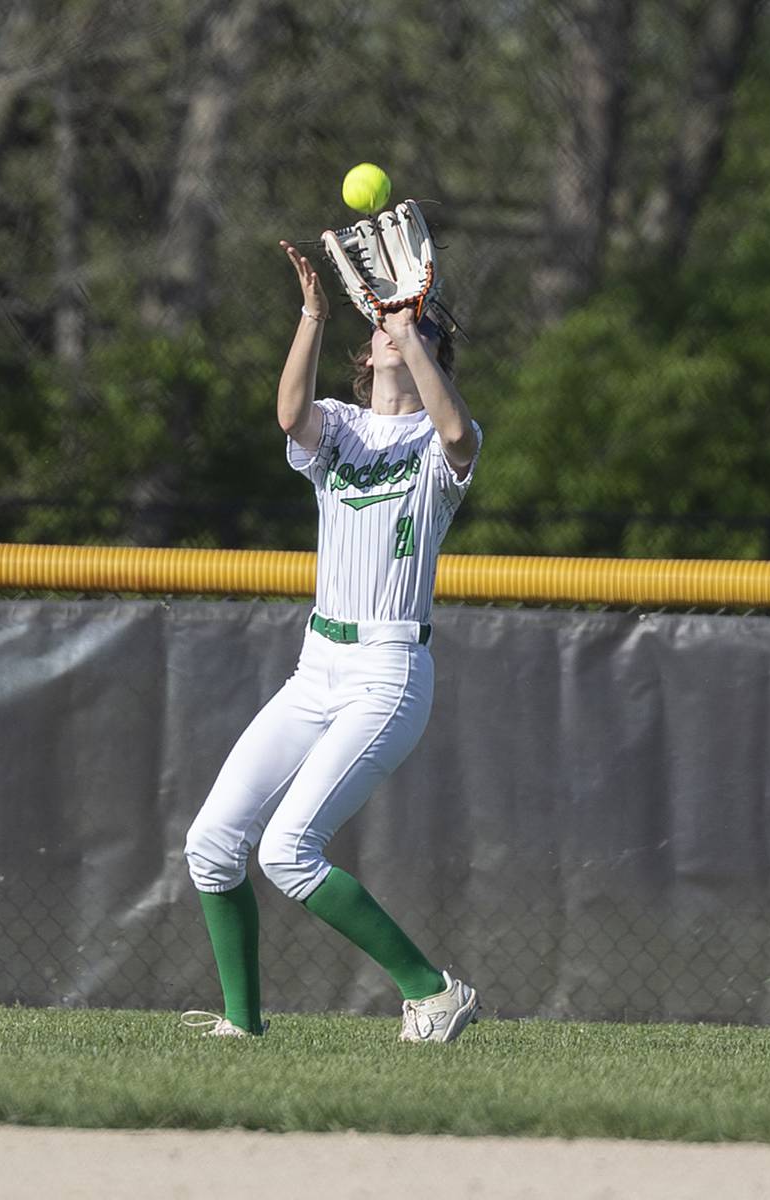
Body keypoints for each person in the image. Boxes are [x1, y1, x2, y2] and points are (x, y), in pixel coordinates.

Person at [182, 239, 483, 1043]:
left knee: (287, 852)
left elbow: (458, 434)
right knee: (212, 844)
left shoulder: (439, 443)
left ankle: (433, 991)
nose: (393, 330)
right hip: (318, 665)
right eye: (386, 327)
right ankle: (244, 1028)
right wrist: (313, 315)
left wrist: (413, 330)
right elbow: (289, 415)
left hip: (387, 673)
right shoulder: (342, 429)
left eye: (415, 332)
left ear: (428, 354)